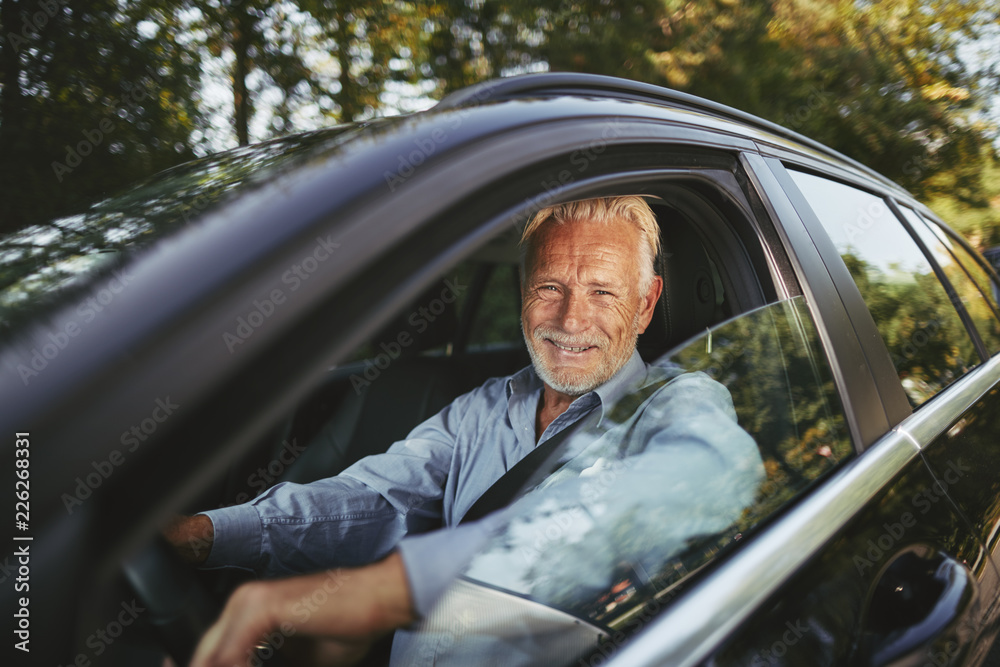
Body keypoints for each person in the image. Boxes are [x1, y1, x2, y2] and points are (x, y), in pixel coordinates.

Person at [179, 196, 764, 666]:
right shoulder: (484, 407)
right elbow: (374, 498)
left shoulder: (679, 402)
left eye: (603, 292)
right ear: (523, 294)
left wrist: (391, 591)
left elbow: (710, 472)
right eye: (550, 287)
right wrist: (209, 534)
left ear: (645, 304)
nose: (570, 320)